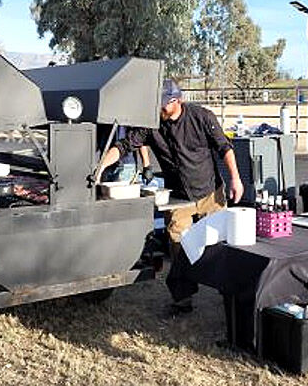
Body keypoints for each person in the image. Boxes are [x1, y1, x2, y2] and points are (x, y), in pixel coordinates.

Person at [97, 79, 244, 314]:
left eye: (164, 105)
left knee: (218, 243)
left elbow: (224, 148)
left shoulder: (202, 117)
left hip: (210, 192)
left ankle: (228, 294)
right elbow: (124, 145)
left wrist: (235, 179)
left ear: (178, 101)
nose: (160, 110)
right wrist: (101, 166)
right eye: (158, 105)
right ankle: (183, 299)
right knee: (177, 243)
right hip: (178, 196)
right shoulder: (152, 125)